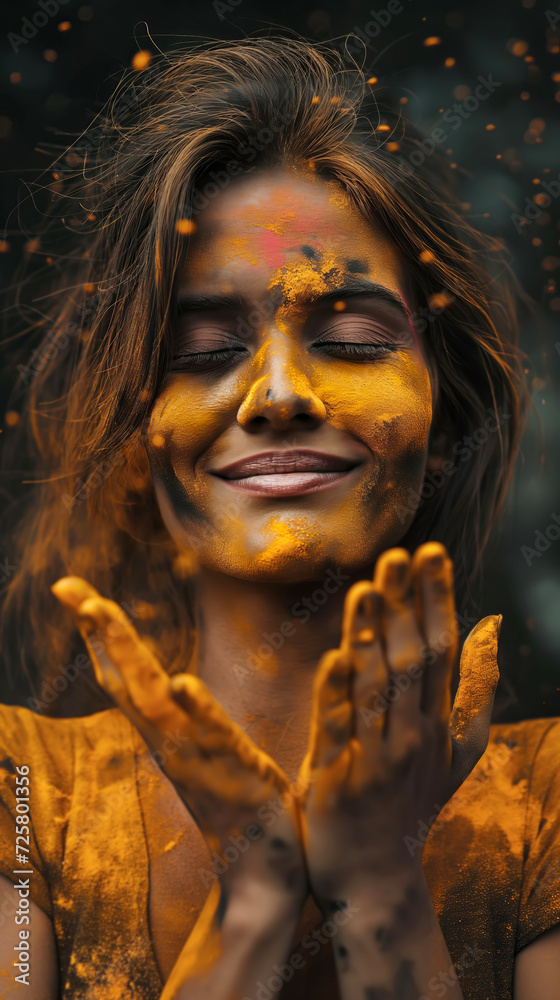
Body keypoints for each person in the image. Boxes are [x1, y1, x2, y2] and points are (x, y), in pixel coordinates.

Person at [0, 36, 558, 1000]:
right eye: (205, 351)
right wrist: (253, 902)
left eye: (349, 340)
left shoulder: (549, 797)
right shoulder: (17, 793)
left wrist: (381, 888)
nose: (281, 393)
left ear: (443, 405)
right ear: (137, 427)